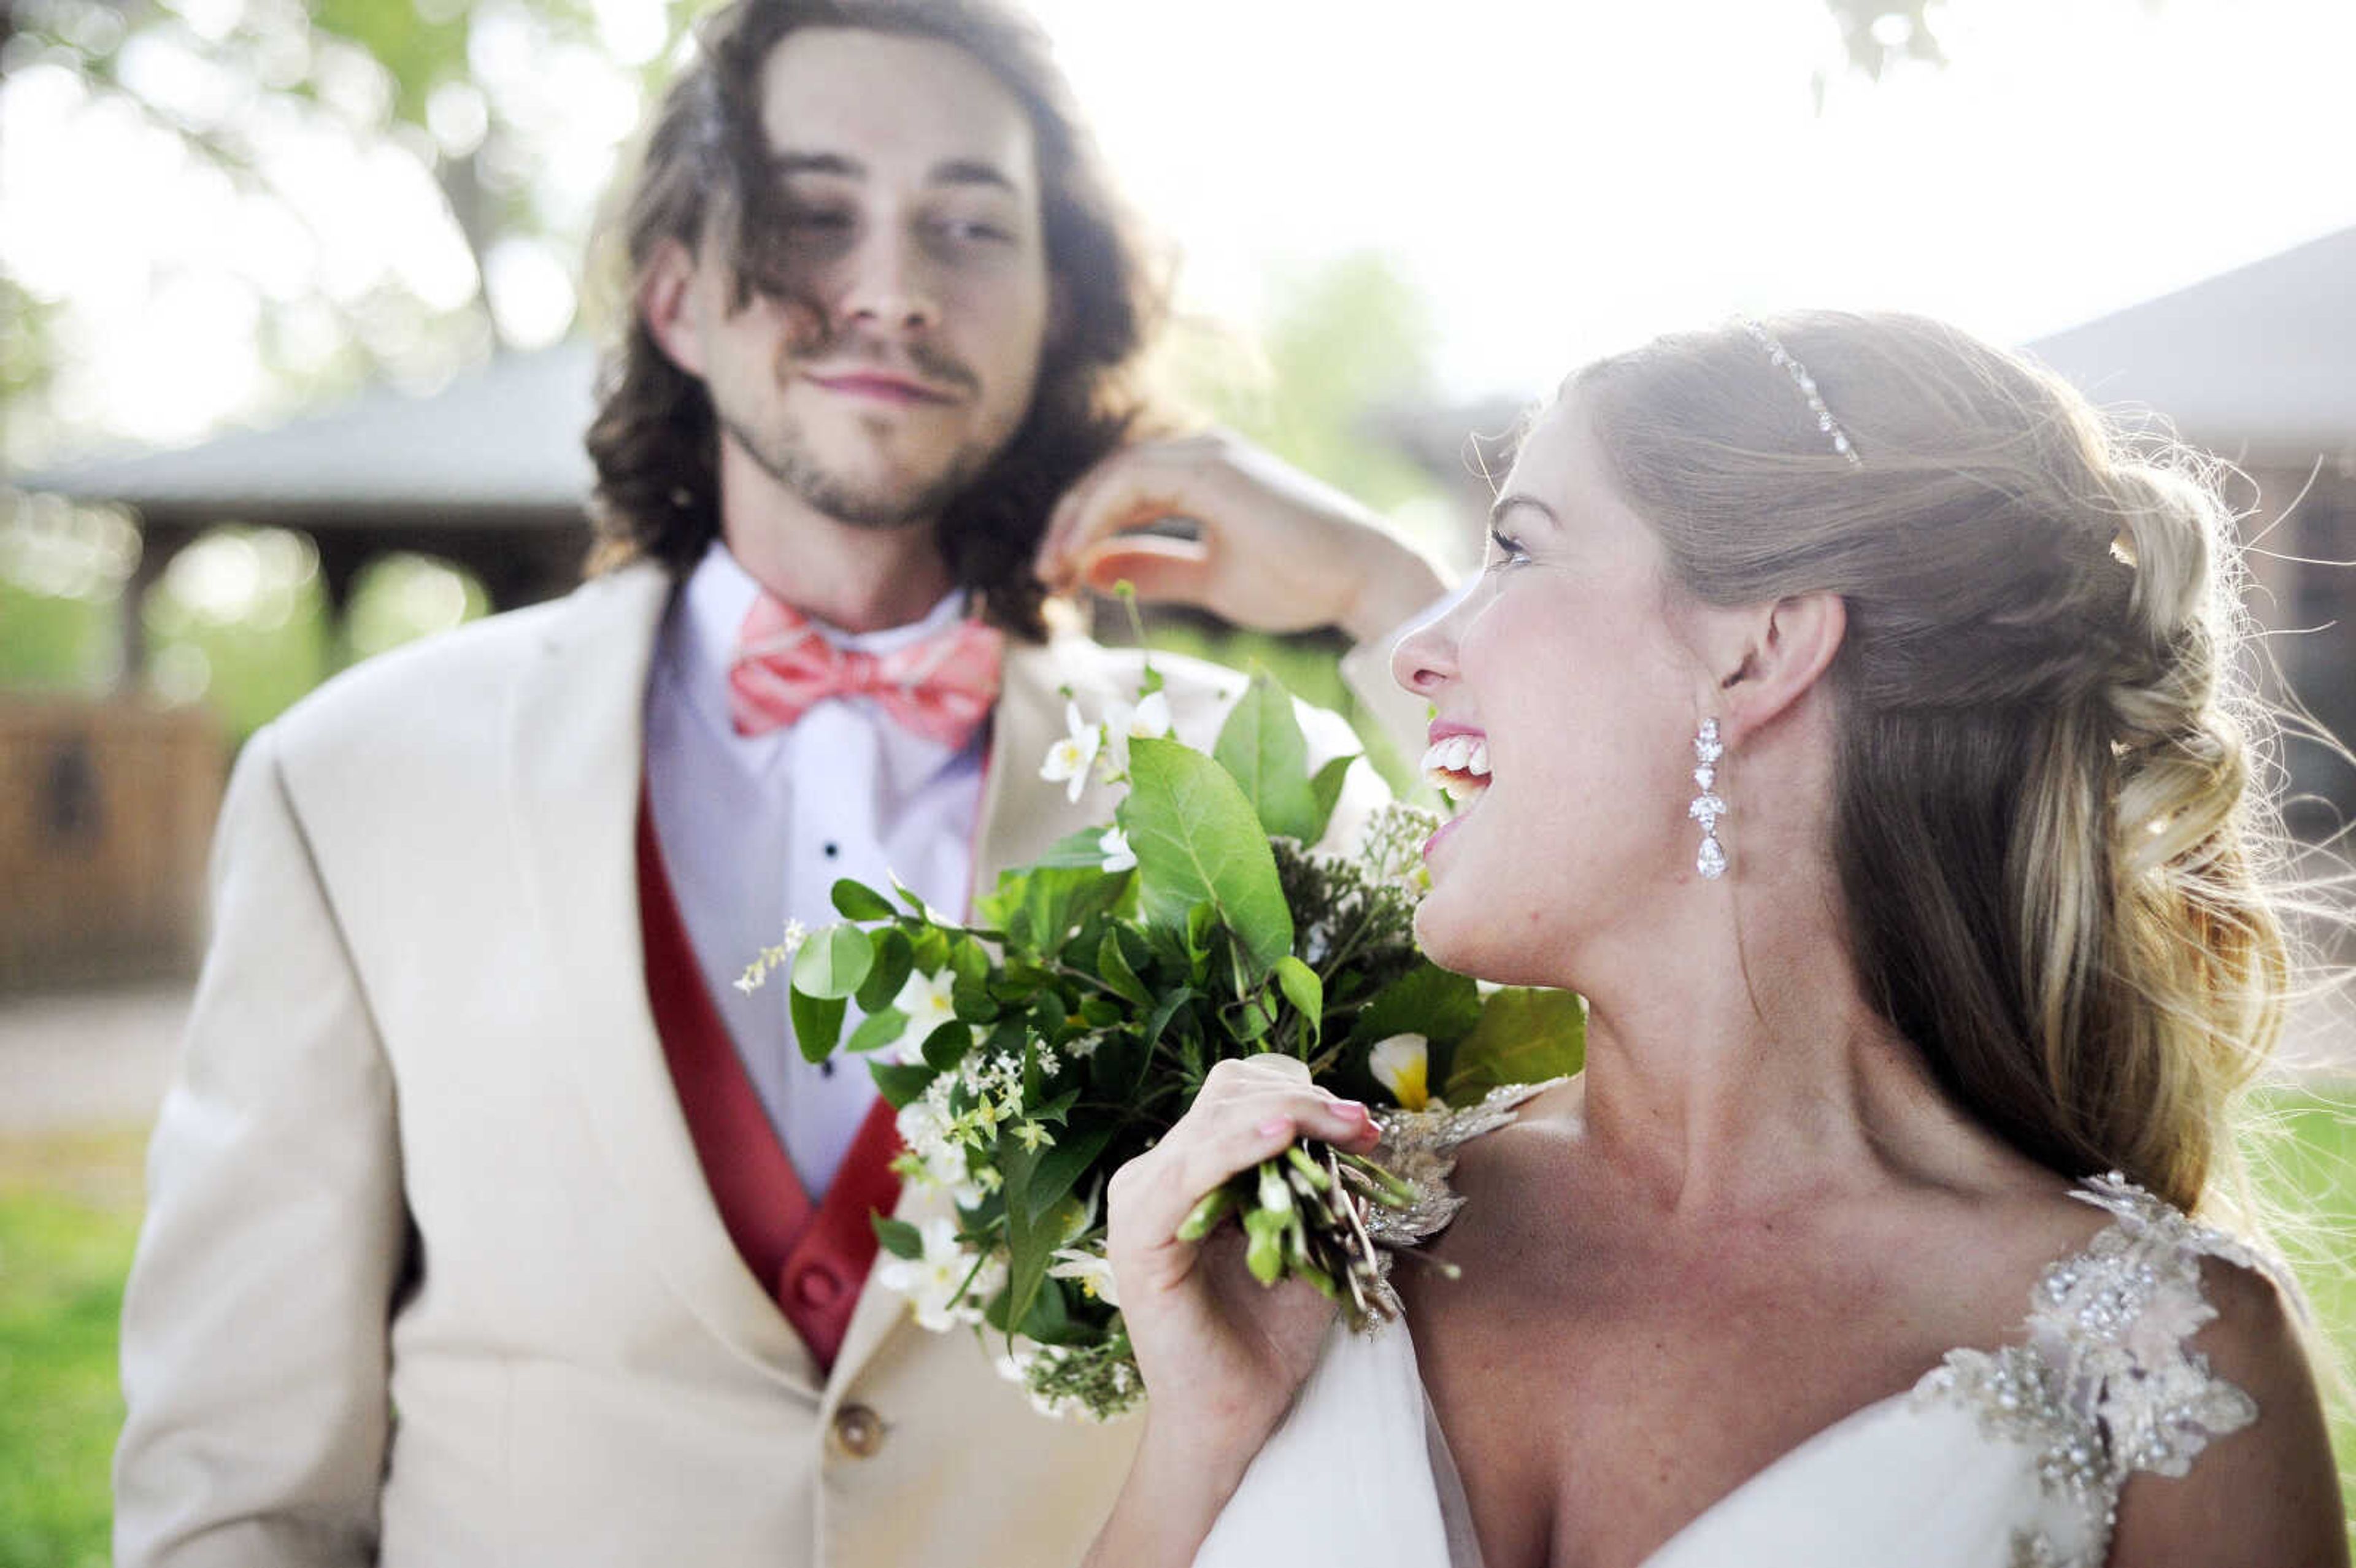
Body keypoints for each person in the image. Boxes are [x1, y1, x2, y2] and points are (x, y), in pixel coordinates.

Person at [110, 2, 1444, 1564]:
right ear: (675, 292)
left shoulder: (1238, 777)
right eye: (816, 215)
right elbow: (238, 1495)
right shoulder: (350, 782)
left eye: (967, 224)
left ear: (1053, 304)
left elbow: (1590, 1054)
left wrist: (1395, 599)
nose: (891, 288)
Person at [1087, 311, 2351, 1568]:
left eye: (1517, 552)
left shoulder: (2172, 1359)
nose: (1418, 651)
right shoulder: (1321, 1236)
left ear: (1761, 651)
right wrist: (1199, 1439)